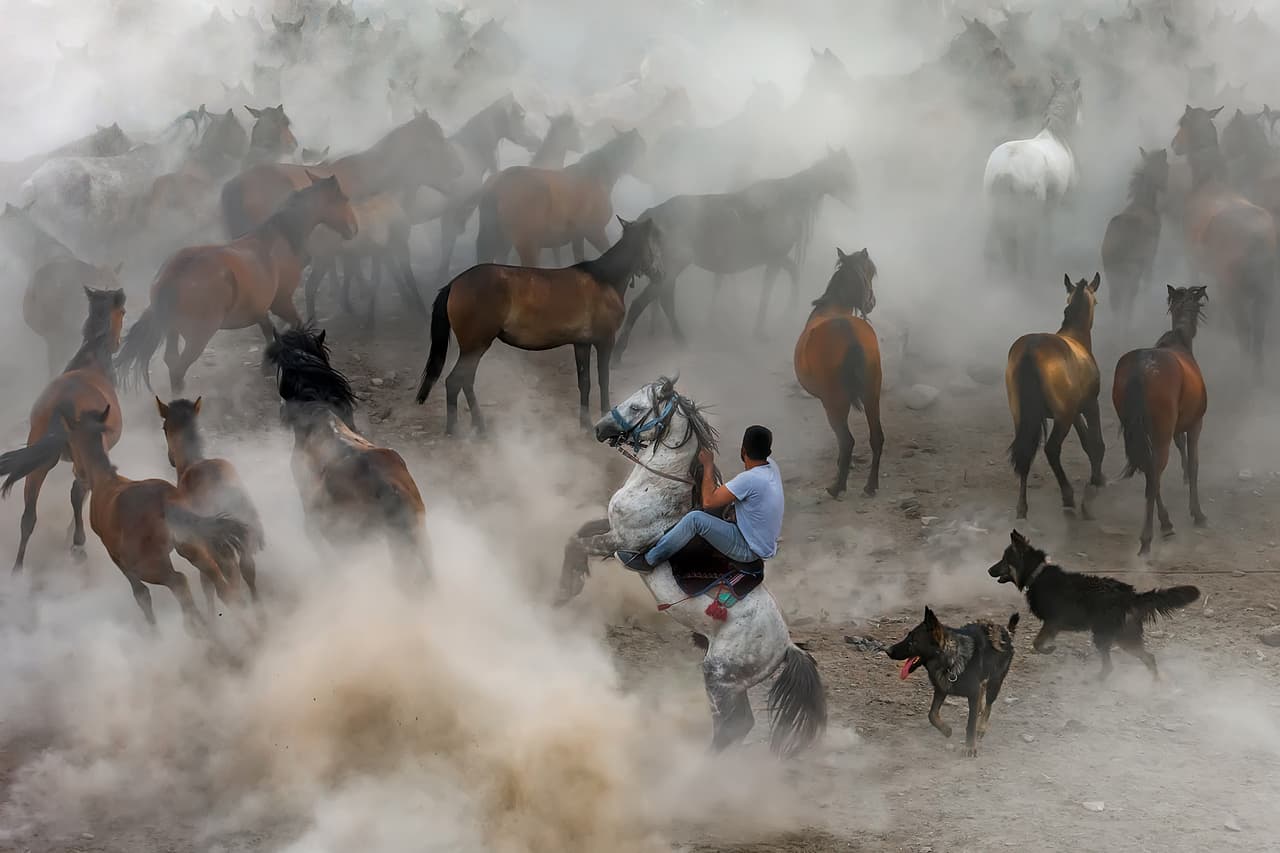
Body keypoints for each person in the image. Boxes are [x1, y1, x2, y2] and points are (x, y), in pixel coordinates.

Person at [615, 425, 785, 571]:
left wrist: (708, 465)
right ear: (768, 452)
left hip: (748, 549)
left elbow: (708, 502)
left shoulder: (749, 479)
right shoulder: (772, 467)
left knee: (695, 519)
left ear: (743, 450)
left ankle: (648, 561)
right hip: (764, 542)